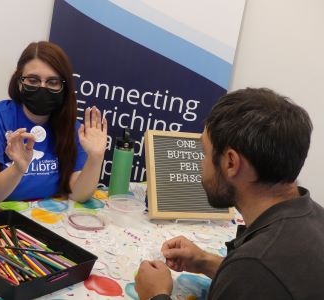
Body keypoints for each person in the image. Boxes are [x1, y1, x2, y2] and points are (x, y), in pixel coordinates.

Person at [135, 88, 324, 299]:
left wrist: (155, 295)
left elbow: (255, 276)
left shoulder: (253, 267)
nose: (201, 164)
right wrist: (206, 262)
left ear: (231, 163)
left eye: (205, 153)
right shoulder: (314, 217)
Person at [0, 41, 107, 209]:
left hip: (34, 221)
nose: (42, 88)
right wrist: (17, 169)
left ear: (63, 88)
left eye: (52, 82)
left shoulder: (71, 128)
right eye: (33, 80)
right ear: (19, 82)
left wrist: (95, 158)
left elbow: (78, 194)